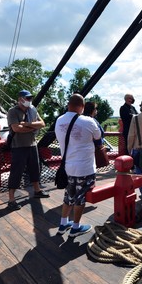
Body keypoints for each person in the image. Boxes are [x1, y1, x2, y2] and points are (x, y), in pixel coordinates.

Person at [54, 94, 101, 237]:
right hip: (85, 167)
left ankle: (63, 224)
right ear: (82, 106)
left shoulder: (59, 120)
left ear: (69, 105)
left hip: (67, 167)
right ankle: (75, 227)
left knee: (68, 195)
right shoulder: (88, 121)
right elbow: (98, 137)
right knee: (80, 197)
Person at [6, 90, 49, 211]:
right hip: (18, 146)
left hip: (32, 144)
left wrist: (27, 124)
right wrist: (32, 128)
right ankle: (11, 199)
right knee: (16, 172)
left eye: (30, 98)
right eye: (27, 98)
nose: (29, 100)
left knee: (35, 168)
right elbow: (16, 128)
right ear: (20, 99)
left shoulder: (32, 110)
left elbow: (42, 123)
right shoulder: (12, 112)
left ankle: (37, 190)